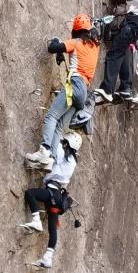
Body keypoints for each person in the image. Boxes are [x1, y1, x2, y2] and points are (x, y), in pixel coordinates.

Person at [25, 15, 100, 169]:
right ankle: (50, 159)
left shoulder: (76, 42)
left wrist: (55, 41)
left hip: (75, 85)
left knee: (52, 116)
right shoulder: (94, 47)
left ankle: (44, 150)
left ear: (75, 30)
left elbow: (52, 48)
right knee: (59, 125)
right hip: (83, 92)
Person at [21, 129, 81, 269]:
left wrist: (56, 136)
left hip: (52, 192)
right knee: (52, 229)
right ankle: (48, 258)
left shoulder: (62, 151)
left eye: (64, 141)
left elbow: (51, 152)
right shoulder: (72, 161)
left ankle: (36, 220)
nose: (62, 142)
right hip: (58, 197)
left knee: (30, 194)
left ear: (67, 142)